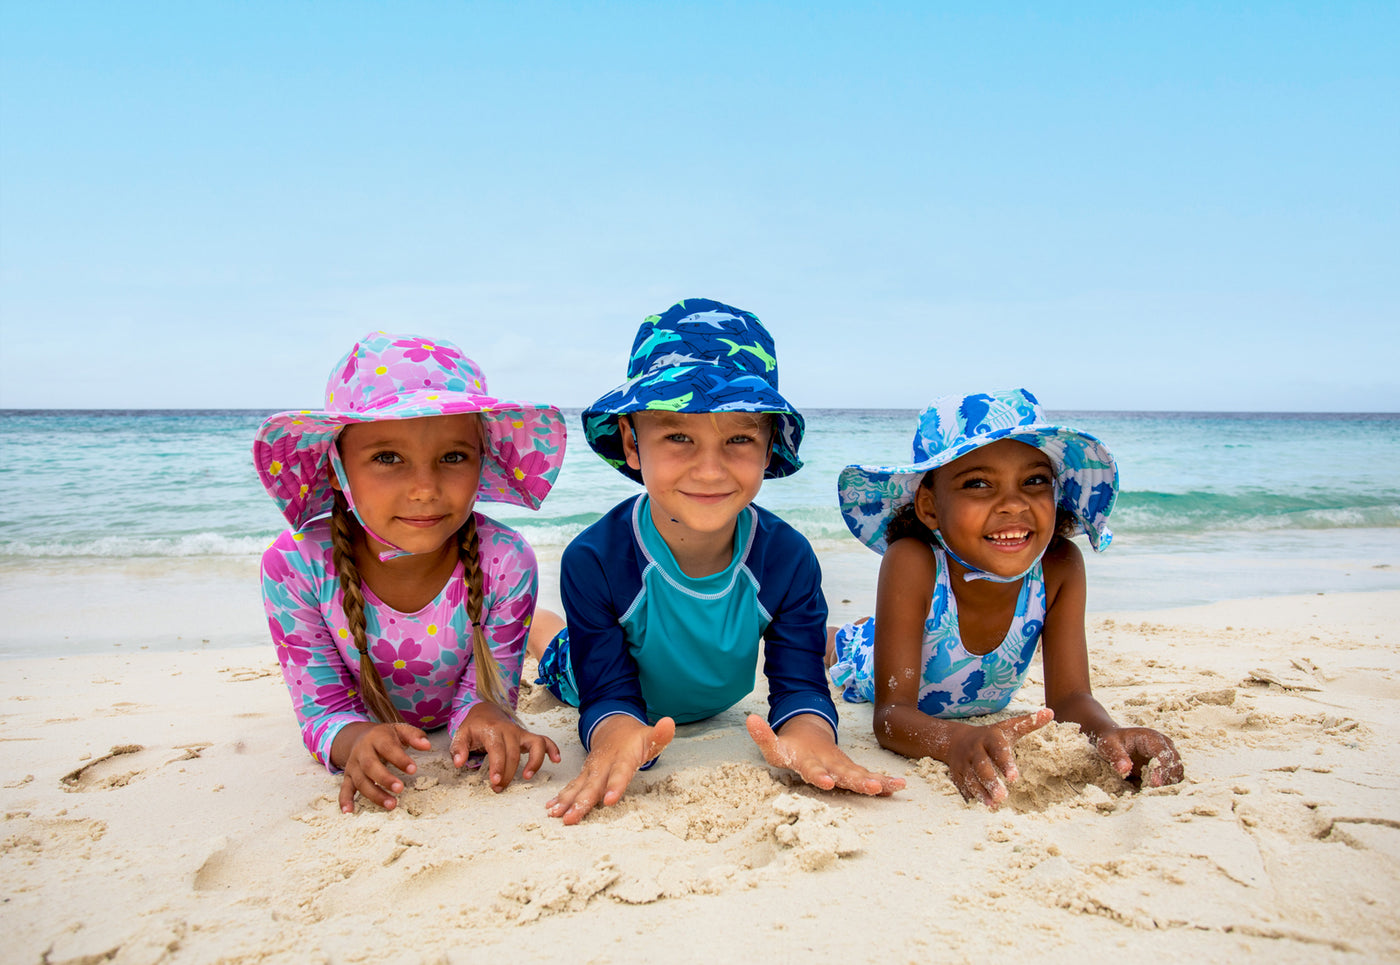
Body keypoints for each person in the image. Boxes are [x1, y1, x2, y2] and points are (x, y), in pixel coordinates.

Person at [530, 298, 904, 825]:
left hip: (705, 684)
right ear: (632, 444)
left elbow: (798, 684)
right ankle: (534, 626)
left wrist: (809, 735)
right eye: (678, 436)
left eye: (739, 438)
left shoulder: (787, 557)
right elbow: (607, 689)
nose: (710, 470)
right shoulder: (595, 559)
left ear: (770, 447)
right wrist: (616, 733)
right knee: (557, 649)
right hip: (588, 666)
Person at [254, 331, 567, 813]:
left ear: (481, 462)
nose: (425, 488)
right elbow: (325, 712)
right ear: (337, 468)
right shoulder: (294, 565)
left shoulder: (506, 559)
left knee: (568, 657)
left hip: (491, 614)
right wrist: (354, 738)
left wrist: (488, 717)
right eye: (387, 457)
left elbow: (484, 700)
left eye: (453, 456)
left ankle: (542, 630)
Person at [830, 389, 1184, 808]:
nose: (1013, 504)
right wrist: (954, 740)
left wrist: (1108, 733)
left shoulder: (1059, 567)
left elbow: (1071, 699)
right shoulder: (912, 560)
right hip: (875, 663)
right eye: (978, 483)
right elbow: (891, 716)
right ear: (929, 506)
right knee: (838, 645)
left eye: (1034, 481)